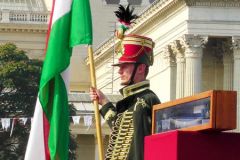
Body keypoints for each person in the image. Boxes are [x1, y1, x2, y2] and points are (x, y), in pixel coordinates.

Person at [90, 33, 161, 160]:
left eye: (125, 66)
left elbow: (142, 146)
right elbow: (121, 131)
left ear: (140, 68)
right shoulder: (130, 101)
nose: (119, 71)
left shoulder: (147, 100)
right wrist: (104, 102)